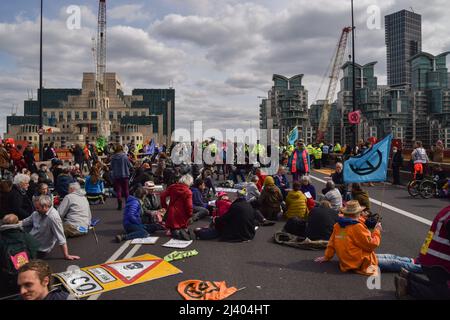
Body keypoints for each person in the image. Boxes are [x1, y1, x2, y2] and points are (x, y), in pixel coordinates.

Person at [394, 205, 450, 299]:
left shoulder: (447, 209)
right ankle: (408, 287)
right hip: (438, 264)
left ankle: (408, 278)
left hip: (430, 259)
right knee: (445, 294)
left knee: (440, 286)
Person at [315, 200, 382, 276]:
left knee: (390, 258)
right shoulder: (357, 226)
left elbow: (332, 242)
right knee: (396, 261)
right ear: (357, 213)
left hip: (346, 261)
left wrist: (326, 256)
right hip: (361, 261)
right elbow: (372, 244)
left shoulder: (338, 225)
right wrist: (377, 230)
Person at [20, 195, 80, 260]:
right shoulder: (36, 213)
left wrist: (66, 255)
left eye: (37, 208)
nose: (36, 210)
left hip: (39, 249)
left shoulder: (53, 218)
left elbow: (61, 237)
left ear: (45, 207)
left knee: (17, 259)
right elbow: (24, 222)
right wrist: (10, 224)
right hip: (30, 242)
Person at [0, 214, 40, 297]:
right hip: (28, 277)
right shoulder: (27, 237)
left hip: (7, 281)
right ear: (17, 223)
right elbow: (35, 252)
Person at [160, 174, 194, 240]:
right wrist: (190, 214)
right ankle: (183, 232)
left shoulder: (172, 187)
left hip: (172, 211)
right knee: (181, 227)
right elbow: (189, 205)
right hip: (182, 213)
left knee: (174, 228)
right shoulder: (188, 191)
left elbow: (162, 196)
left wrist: (165, 206)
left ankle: (176, 232)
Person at [110, 144, 133, 210]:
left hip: (116, 176)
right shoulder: (124, 156)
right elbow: (129, 165)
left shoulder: (113, 157)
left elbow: (111, 167)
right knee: (126, 190)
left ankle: (119, 201)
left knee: (118, 190)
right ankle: (127, 203)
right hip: (125, 175)